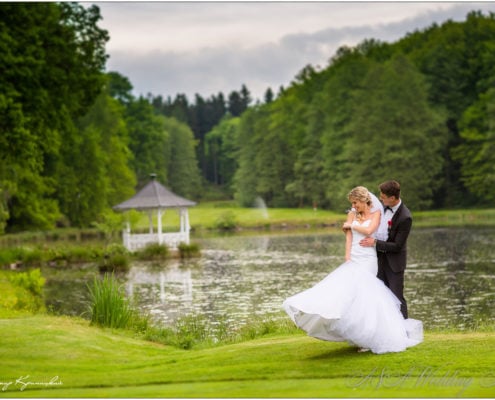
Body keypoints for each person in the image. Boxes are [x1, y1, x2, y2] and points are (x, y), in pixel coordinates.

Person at [282, 186, 422, 354]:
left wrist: (352, 226)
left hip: (368, 259)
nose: (354, 206)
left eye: (356, 202)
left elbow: (370, 230)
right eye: (352, 203)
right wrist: (347, 256)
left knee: (367, 297)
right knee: (351, 297)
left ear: (364, 200)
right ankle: (358, 335)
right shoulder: (351, 215)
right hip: (354, 257)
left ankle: (370, 337)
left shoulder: (376, 213)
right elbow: (348, 237)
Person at [359, 180, 410, 319]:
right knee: (379, 296)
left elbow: (397, 246)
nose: (380, 198)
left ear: (392, 198)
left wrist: (375, 242)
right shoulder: (380, 209)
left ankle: (404, 331)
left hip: (394, 264)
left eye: (383, 196)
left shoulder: (405, 217)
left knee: (397, 297)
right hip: (378, 261)